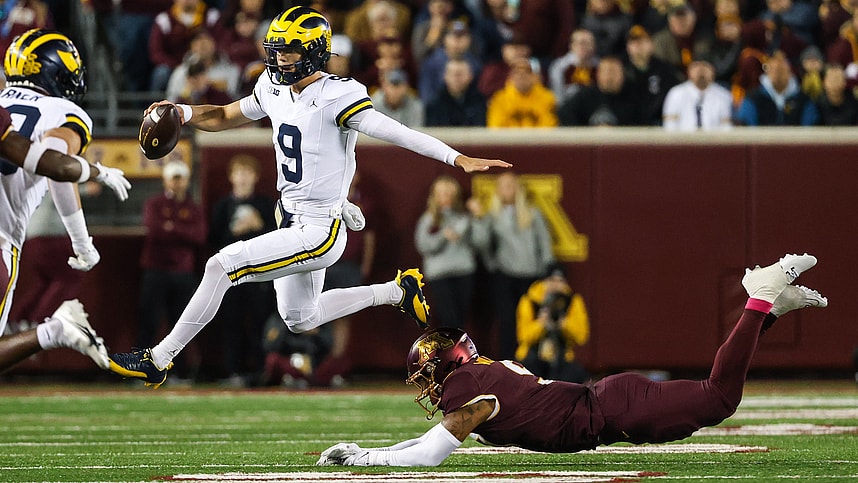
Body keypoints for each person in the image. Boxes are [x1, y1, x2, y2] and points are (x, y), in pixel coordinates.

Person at [108, 6, 511, 388]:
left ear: (315, 52)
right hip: (291, 216)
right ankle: (396, 291)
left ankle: (159, 359)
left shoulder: (339, 95)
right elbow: (230, 114)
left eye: (290, 51)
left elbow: (396, 131)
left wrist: (455, 158)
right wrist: (185, 113)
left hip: (319, 229)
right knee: (300, 317)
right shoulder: (272, 87)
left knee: (222, 266)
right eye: (277, 50)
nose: (281, 59)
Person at [317, 253, 827, 466]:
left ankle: (759, 298)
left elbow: (431, 452)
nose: (428, 384)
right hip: (612, 406)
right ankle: (766, 308)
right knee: (713, 396)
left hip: (614, 409)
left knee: (719, 398)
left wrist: (369, 460)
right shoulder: (478, 377)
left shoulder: (467, 393)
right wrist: (366, 454)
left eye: (429, 371)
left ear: (449, 364)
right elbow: (432, 438)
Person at [0, 29, 135, 374]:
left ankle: (55, 330)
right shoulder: (61, 110)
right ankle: (55, 331)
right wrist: (82, 242)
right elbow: (56, 162)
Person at [136, 160, 207, 383]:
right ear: (166, 180)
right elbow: (155, 230)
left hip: (182, 274)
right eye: (174, 178)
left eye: (180, 178)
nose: (177, 183)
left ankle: (181, 372)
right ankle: (141, 370)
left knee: (182, 324)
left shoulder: (193, 207)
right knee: (148, 322)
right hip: (156, 271)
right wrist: (180, 230)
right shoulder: (155, 204)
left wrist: (171, 227)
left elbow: (199, 236)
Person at [208, 154, 276, 386]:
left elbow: (278, 240)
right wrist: (236, 232)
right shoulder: (223, 206)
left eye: (248, 173)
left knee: (260, 323)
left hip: (259, 275)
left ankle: (261, 371)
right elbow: (213, 241)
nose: (243, 178)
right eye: (239, 173)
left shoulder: (266, 205)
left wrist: (259, 227)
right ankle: (234, 371)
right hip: (232, 276)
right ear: (231, 177)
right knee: (232, 323)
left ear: (256, 177)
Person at [479, 172, 555, 360]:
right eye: (504, 186)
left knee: (532, 320)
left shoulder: (532, 213)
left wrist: (548, 268)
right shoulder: (492, 216)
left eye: (512, 185)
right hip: (505, 275)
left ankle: (531, 362)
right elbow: (482, 243)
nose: (508, 190)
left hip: (531, 273)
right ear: (497, 190)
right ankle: (507, 363)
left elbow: (544, 241)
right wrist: (492, 263)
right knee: (507, 321)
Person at [415, 175, 490, 329]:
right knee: (449, 318)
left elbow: (481, 242)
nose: (446, 197)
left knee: (461, 319)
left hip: (463, 270)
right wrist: (443, 236)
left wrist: (479, 218)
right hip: (440, 274)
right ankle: (448, 352)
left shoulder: (464, 217)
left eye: (450, 193)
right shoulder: (429, 219)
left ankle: (457, 351)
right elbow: (423, 246)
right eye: (442, 193)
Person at [515, 262, 589, 383]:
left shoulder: (573, 302)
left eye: (560, 281)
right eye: (551, 280)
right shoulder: (529, 300)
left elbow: (581, 336)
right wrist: (541, 323)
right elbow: (523, 337)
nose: (555, 285)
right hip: (532, 358)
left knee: (576, 375)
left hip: (562, 359)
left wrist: (563, 324)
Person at [735, 50, 819, 126]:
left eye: (781, 68)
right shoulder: (752, 99)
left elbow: (809, 132)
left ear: (789, 70)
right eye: (774, 68)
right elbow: (746, 131)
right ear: (767, 70)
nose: (778, 71)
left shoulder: (804, 101)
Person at [662, 56, 733, 131]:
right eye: (696, 66)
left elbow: (726, 127)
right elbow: (669, 125)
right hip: (682, 140)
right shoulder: (676, 93)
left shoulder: (723, 95)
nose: (701, 70)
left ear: (713, 71)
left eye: (705, 66)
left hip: (714, 141)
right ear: (689, 71)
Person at [486, 58, 558, 128]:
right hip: (509, 140)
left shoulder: (548, 98)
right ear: (510, 77)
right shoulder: (499, 99)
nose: (521, 76)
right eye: (517, 73)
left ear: (535, 77)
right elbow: (496, 128)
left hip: (538, 140)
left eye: (526, 72)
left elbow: (549, 128)